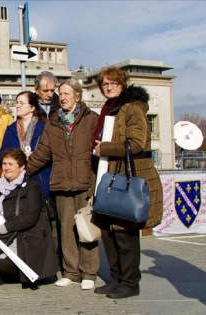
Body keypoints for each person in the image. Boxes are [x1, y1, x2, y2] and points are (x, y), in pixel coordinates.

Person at [93, 67, 163, 299]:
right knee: (108, 232)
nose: (109, 87)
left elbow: (136, 143)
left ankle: (131, 282)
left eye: (113, 83)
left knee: (125, 234)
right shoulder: (110, 109)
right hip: (111, 176)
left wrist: (104, 148)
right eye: (105, 84)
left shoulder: (132, 108)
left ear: (122, 85)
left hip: (128, 177)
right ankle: (116, 279)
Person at [26, 79, 99, 290]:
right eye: (62, 94)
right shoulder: (54, 121)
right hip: (60, 183)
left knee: (86, 229)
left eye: (67, 93)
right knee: (66, 230)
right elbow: (42, 153)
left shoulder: (91, 119)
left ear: (77, 95)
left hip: (84, 182)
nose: (63, 97)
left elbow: (99, 153)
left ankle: (89, 273)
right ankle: (71, 272)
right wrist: (23, 172)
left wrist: (96, 183)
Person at [0, 148, 59, 287]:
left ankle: (14, 274)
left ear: (21, 167)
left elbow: (28, 218)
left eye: (10, 164)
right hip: (4, 233)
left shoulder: (32, 187)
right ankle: (4, 271)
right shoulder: (0, 186)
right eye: (4, 163)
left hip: (24, 235)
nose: (6, 167)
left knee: (2, 264)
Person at [0, 91, 51, 201]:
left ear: (32, 107)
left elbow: (51, 152)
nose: (17, 105)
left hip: (39, 177)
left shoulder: (45, 127)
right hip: (16, 180)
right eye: (16, 102)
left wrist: (35, 155)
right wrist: (18, 156)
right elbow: (2, 153)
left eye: (21, 103)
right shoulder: (11, 129)